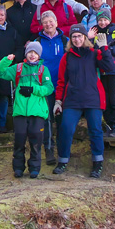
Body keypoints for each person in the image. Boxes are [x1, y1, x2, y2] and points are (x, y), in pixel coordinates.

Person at [52, 23, 113, 178]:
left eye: (79, 36)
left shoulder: (93, 53)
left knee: (95, 130)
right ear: (70, 39)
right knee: (66, 129)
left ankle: (97, 163)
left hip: (93, 97)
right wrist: (58, 101)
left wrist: (104, 48)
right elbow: (61, 81)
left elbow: (109, 67)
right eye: (74, 37)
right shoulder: (67, 57)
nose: (77, 39)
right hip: (72, 99)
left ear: (85, 37)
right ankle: (63, 161)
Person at [0, 41, 53, 179]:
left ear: (39, 55)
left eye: (35, 53)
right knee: (19, 140)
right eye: (30, 52)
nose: (32, 55)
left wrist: (34, 89)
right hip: (20, 111)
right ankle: (18, 168)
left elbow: (49, 88)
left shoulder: (43, 70)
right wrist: (5, 60)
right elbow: (0, 72)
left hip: (38, 112)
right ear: (26, 53)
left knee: (36, 141)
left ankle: (34, 168)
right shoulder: (18, 68)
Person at [87, 10, 115, 137]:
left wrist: (108, 48)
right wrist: (89, 38)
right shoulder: (94, 34)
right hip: (100, 72)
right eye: (100, 20)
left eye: (105, 20)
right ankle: (109, 125)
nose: (102, 22)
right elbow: (87, 50)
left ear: (109, 20)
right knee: (104, 100)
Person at [35, 11, 67, 164]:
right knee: (46, 119)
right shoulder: (37, 42)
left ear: (56, 22)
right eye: (45, 22)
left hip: (62, 85)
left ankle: (63, 150)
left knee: (62, 118)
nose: (48, 24)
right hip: (44, 86)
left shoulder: (66, 40)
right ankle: (48, 150)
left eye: (51, 21)